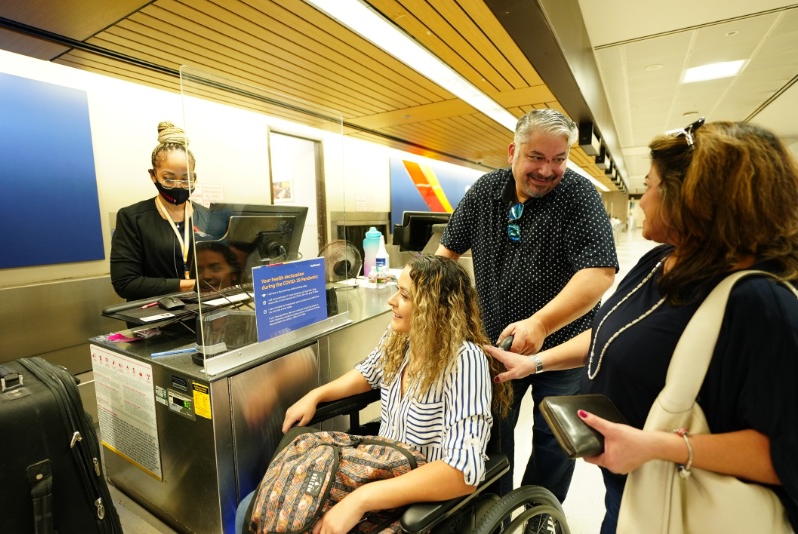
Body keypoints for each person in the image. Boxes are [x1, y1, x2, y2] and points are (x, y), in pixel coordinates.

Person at [486, 119, 798, 532]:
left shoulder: (760, 303)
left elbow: (784, 451)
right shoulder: (663, 261)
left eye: (649, 186)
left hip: (684, 506)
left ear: (693, 199)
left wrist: (655, 448)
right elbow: (608, 332)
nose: (642, 202)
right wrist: (536, 363)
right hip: (631, 496)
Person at [235, 254, 512, 534]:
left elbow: (462, 473)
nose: (392, 301)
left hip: (419, 498)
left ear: (435, 309)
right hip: (377, 469)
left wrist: (360, 500)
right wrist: (316, 395)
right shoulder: (401, 338)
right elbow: (367, 373)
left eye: (404, 295)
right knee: (252, 508)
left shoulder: (464, 361)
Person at [436, 108, 619, 501]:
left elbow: (599, 272)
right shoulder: (485, 192)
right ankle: (496, 512)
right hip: (495, 348)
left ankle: (538, 514)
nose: (548, 170)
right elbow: (445, 255)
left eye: (559, 158)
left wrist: (541, 323)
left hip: (563, 349)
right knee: (491, 436)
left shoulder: (578, 195)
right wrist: (419, 296)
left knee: (556, 442)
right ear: (512, 152)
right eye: (537, 157)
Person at [110, 121, 209, 300]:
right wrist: (192, 285)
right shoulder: (133, 218)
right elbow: (125, 283)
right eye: (169, 179)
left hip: (204, 312)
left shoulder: (207, 216)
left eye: (187, 179)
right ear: (153, 175)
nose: (179, 185)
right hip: (157, 316)